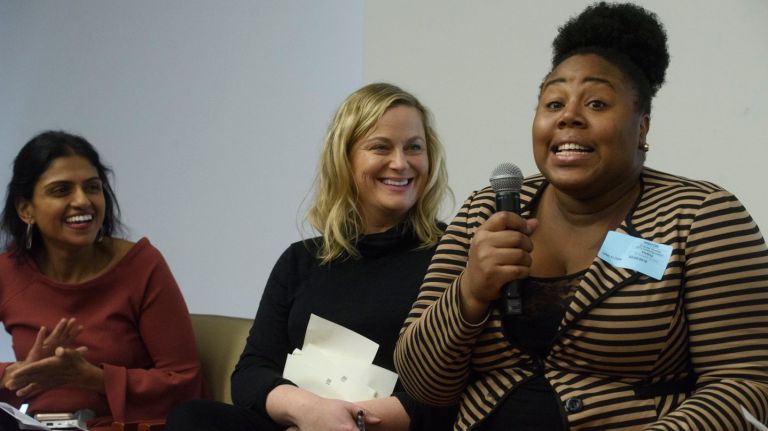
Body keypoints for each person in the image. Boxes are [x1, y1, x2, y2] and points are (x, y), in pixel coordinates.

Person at [394, 3, 768, 430]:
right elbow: (424, 384)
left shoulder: (700, 218)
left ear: (642, 127)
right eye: (553, 103)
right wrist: (470, 292)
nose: (568, 116)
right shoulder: (489, 210)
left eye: (595, 102)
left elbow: (745, 385)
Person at [164, 82, 457, 431]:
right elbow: (252, 372)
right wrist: (307, 411)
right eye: (381, 147)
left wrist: (346, 421)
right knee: (193, 418)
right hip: (300, 423)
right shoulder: (299, 260)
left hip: (386, 426)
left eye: (414, 148)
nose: (400, 163)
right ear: (345, 160)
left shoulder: (450, 255)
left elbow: (451, 393)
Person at [0, 131, 207, 430]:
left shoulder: (142, 265)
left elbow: (186, 381)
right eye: (61, 191)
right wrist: (17, 373)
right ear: (25, 209)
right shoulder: (8, 271)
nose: (82, 201)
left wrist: (95, 379)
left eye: (92, 187)